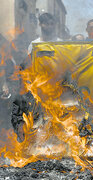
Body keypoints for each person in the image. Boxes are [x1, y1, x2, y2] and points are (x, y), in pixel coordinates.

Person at [11, 12, 61, 143]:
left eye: (51, 24)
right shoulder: (34, 44)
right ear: (41, 24)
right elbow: (28, 66)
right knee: (39, 118)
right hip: (38, 87)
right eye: (46, 23)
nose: (49, 26)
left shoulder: (61, 43)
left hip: (56, 87)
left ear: (54, 25)